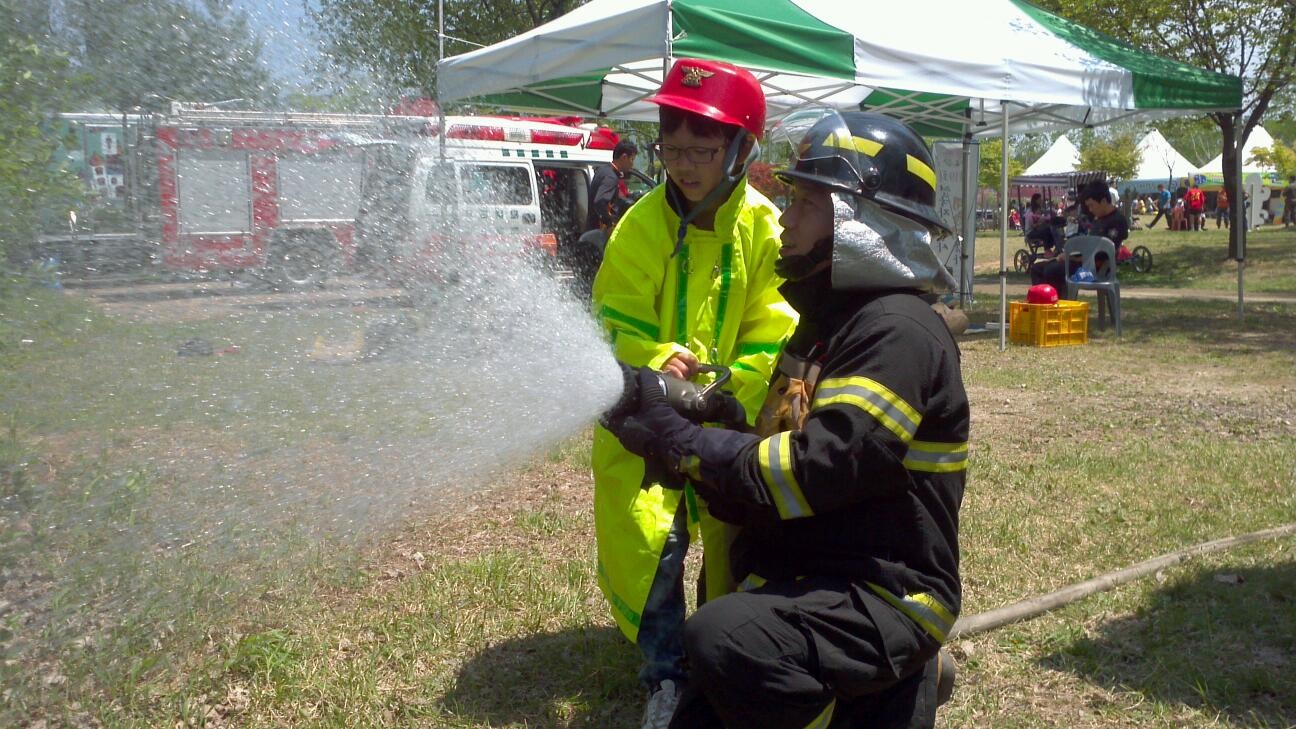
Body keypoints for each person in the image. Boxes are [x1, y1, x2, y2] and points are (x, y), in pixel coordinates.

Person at [605, 110, 968, 729]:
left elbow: (819, 466)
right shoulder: (826, 325)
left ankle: (894, 689)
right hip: (810, 569)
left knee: (725, 638)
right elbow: (780, 447)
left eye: (804, 204)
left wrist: (688, 444)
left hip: (883, 592)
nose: (784, 221)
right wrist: (717, 420)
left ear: (863, 222)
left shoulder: (895, 332)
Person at [590, 58, 796, 728]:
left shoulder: (767, 228)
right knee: (654, 541)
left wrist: (733, 388)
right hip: (645, 420)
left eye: (701, 151)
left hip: (730, 421)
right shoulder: (640, 225)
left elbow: (777, 324)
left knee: (736, 542)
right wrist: (654, 360)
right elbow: (614, 315)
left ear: (740, 150)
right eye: (671, 149)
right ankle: (666, 675)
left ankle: (722, 659)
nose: (683, 165)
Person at [1030, 180, 1128, 298]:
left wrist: (1071, 257)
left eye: (1092, 205)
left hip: (1096, 267)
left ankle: (1059, 304)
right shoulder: (1098, 218)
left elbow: (1103, 254)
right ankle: (1042, 301)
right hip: (1083, 261)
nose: (1090, 210)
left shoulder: (1117, 221)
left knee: (1052, 270)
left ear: (1103, 201)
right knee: (1036, 269)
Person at [587, 139, 639, 233]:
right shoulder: (610, 177)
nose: (632, 164)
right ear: (624, 157)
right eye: (632, 159)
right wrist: (609, 223)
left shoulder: (603, 170)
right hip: (599, 230)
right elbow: (600, 201)